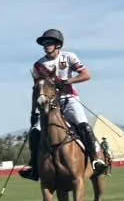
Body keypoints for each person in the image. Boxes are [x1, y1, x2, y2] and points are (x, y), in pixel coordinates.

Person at [20, 28, 106, 181]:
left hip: (69, 99)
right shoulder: (38, 65)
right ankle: (34, 167)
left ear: (58, 45)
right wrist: (34, 112)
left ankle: (95, 160)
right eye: (44, 43)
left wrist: (67, 81)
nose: (46, 45)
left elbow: (86, 75)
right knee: (35, 132)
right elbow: (37, 90)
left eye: (50, 42)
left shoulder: (69, 57)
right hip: (49, 104)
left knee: (83, 125)